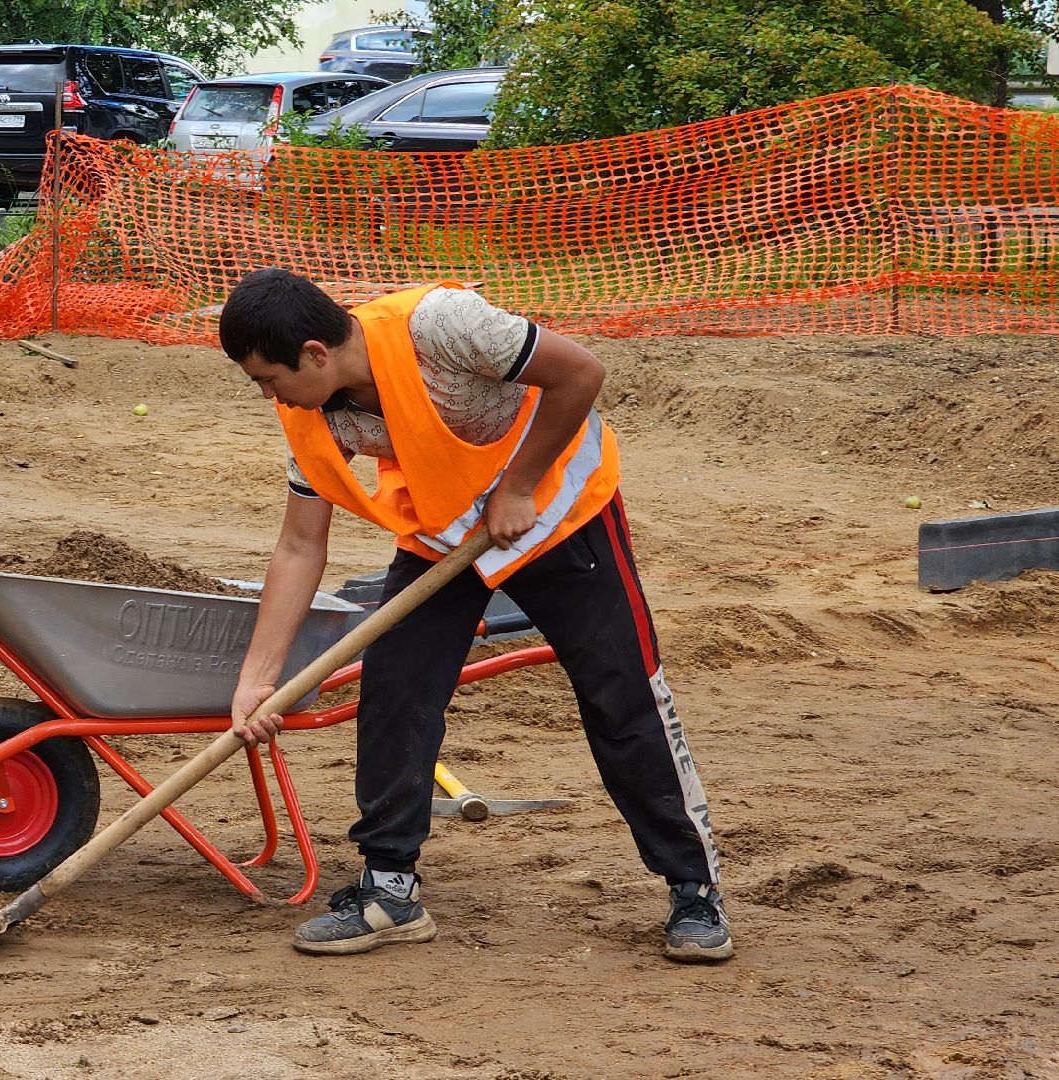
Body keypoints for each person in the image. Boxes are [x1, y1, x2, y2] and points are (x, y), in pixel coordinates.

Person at [219, 268, 731, 963]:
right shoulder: (314, 412)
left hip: (559, 512)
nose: (267, 395)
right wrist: (258, 678)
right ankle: (389, 890)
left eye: (267, 379)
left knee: (623, 696)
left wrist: (518, 485)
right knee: (397, 689)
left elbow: (580, 372)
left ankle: (693, 891)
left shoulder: (443, 327)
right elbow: (300, 543)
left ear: (313, 353)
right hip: (445, 535)